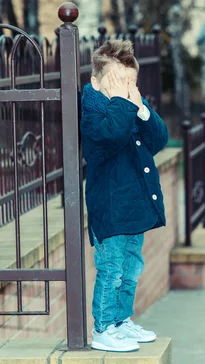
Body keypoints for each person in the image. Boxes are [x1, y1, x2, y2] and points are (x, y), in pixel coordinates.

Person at [80, 39, 169, 352]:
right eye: (118, 81)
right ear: (95, 82)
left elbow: (160, 140)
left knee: (131, 270)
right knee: (112, 271)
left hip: (134, 208)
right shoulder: (93, 112)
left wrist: (141, 107)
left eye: (131, 82)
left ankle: (120, 321)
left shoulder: (130, 106)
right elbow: (112, 137)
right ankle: (102, 328)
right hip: (111, 208)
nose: (125, 88)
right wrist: (121, 100)